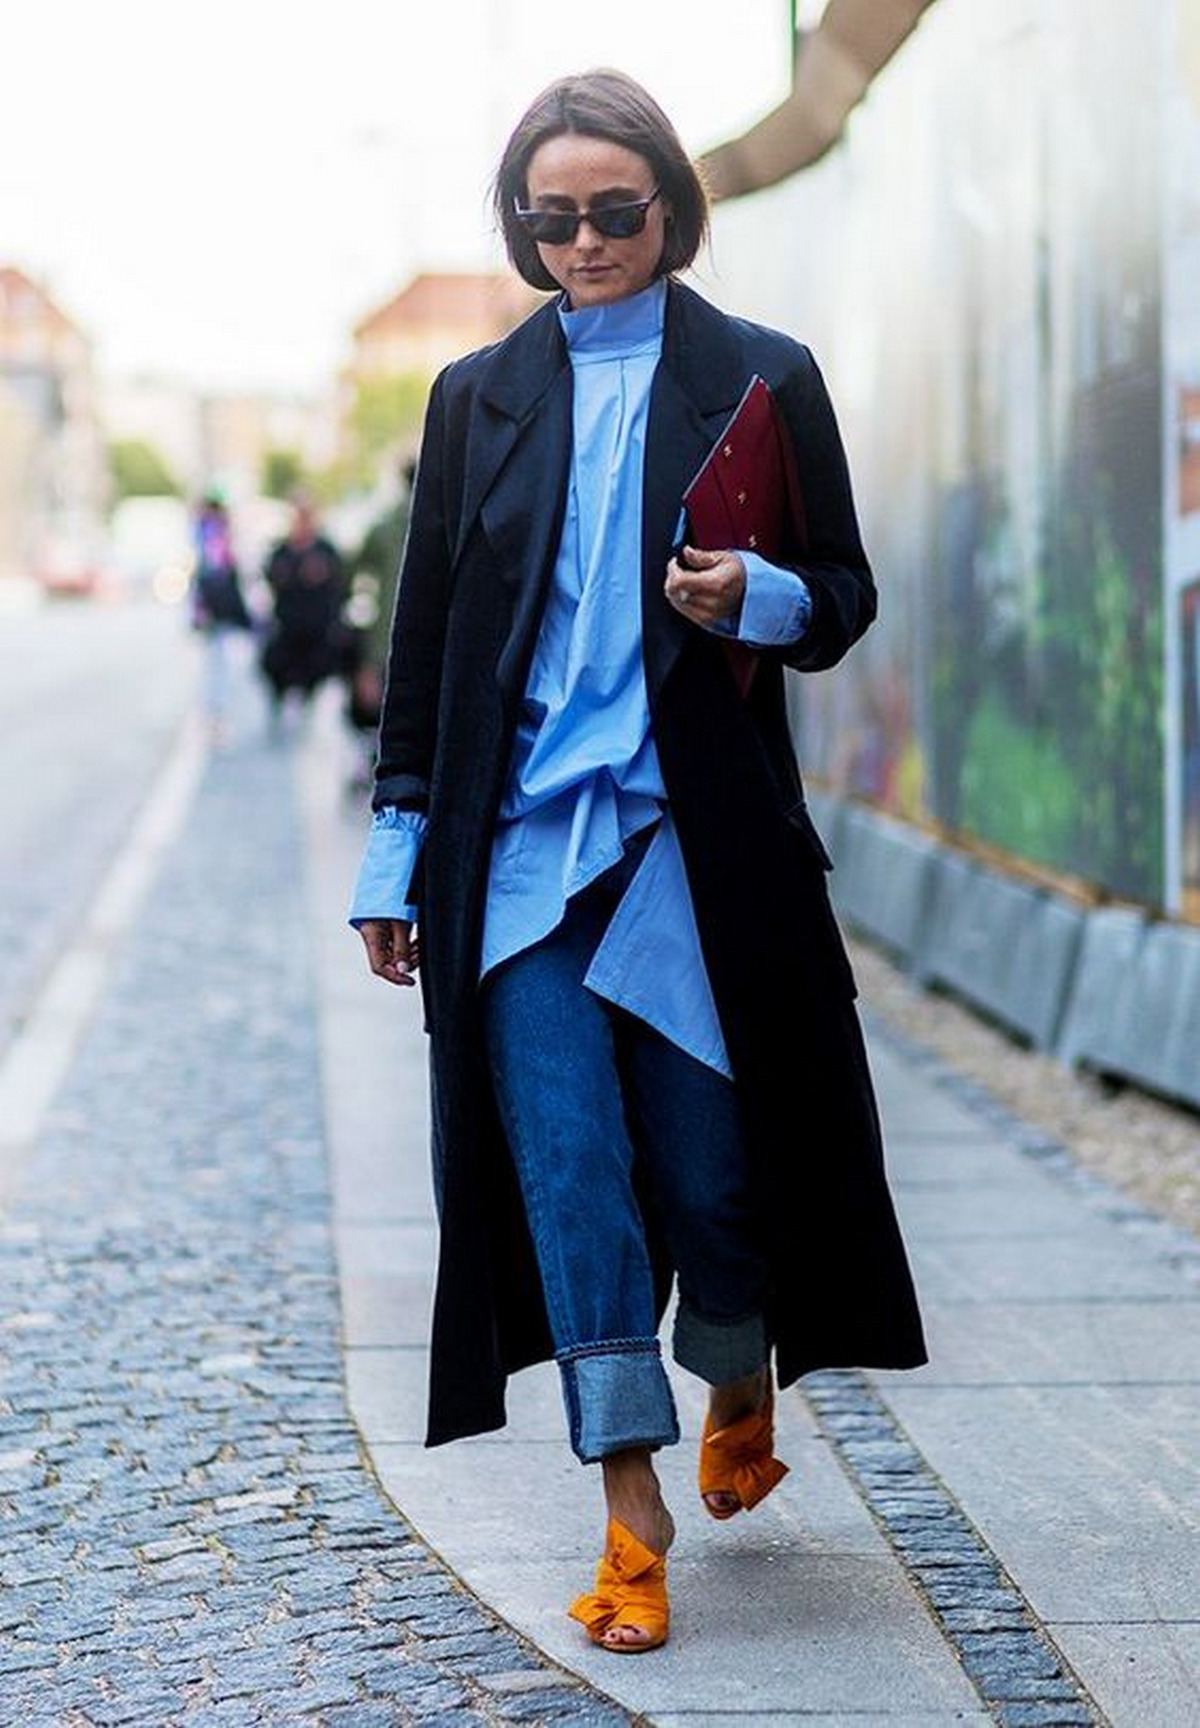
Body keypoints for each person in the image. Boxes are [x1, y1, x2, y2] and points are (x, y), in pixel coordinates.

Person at [349, 69, 926, 1654]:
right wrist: (397, 858)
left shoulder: (763, 377)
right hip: (519, 854)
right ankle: (629, 1515)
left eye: (616, 211)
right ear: (522, 231)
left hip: (694, 851)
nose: (588, 241)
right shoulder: (477, 393)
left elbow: (848, 590)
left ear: (670, 204)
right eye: (555, 219)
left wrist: (766, 595)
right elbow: (427, 647)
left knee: (722, 1182)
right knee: (569, 1174)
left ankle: (735, 1363)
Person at [259, 493, 346, 729]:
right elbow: (268, 577)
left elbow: (341, 583)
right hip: (287, 626)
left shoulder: (326, 549)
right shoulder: (281, 550)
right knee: (274, 665)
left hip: (318, 628)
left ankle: (307, 701)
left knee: (318, 668)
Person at [189, 491, 251, 740]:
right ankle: (216, 713)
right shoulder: (215, 532)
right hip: (217, 607)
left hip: (213, 606)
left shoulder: (206, 532)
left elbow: (208, 572)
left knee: (217, 661)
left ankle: (215, 713)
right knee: (218, 661)